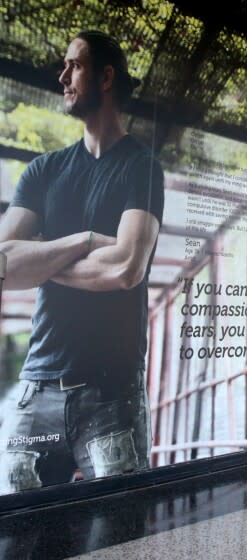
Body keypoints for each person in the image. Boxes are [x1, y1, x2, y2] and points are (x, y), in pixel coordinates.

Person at [0, 30, 164, 494]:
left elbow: (125, 268)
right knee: (17, 543)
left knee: (119, 541)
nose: (63, 76)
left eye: (74, 66)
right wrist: (87, 240)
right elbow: (2, 265)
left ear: (106, 76)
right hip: (37, 389)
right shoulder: (42, 172)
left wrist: (41, 255)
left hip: (111, 394)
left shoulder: (141, 167)